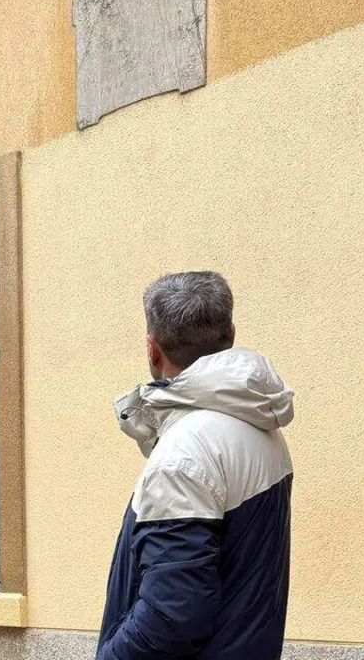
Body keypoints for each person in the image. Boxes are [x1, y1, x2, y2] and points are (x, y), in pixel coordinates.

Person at [98, 272, 295, 660]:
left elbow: (172, 616)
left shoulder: (185, 455)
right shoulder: (259, 427)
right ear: (231, 334)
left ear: (153, 350)